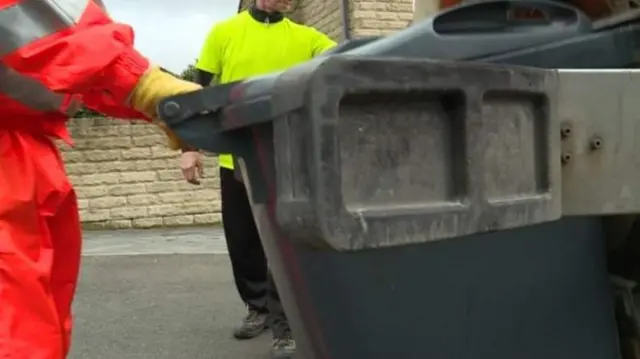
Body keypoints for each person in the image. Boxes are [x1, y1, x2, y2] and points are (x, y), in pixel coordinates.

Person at [0, 0, 201, 357]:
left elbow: (69, 64)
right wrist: (141, 83)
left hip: (24, 152)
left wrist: (152, 98)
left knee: (41, 319)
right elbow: (29, 28)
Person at [180, 0, 336, 358]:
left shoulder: (307, 36)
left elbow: (343, 57)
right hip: (234, 154)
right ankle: (258, 307)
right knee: (243, 239)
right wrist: (188, 147)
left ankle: (287, 325)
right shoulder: (224, 32)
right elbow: (195, 92)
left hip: (288, 156)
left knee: (285, 240)